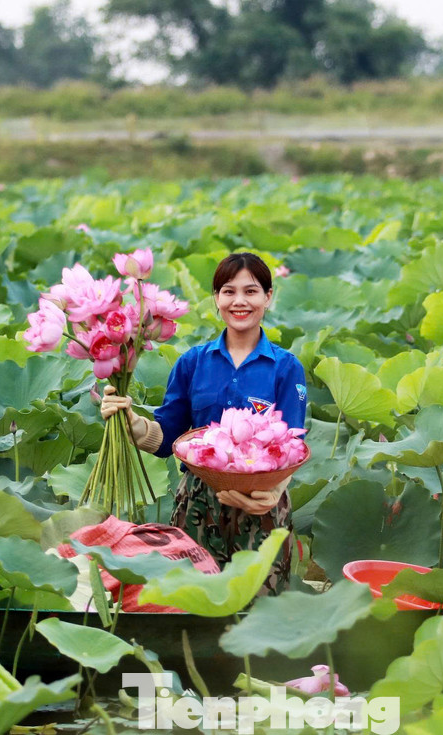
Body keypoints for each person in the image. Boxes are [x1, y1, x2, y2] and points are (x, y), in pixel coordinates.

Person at [99, 252, 307, 594]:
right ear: (216, 298)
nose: (239, 301)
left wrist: (271, 494)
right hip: (198, 502)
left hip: (262, 502)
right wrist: (130, 421)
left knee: (258, 608)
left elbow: (292, 447)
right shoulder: (192, 363)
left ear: (268, 297)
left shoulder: (286, 367)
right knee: (191, 602)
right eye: (228, 291)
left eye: (251, 291)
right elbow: (168, 438)